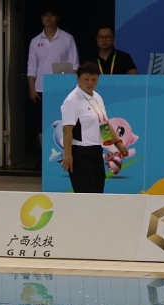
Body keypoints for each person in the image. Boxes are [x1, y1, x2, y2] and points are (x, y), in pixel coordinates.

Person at [60, 63, 127, 194]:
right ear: (78, 79)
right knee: (86, 193)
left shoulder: (97, 97)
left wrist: (117, 143)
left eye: (94, 79)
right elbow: (67, 130)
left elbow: (104, 124)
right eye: (86, 79)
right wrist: (68, 155)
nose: (90, 83)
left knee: (98, 191)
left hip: (96, 151)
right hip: (80, 153)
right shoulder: (72, 101)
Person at [26, 6, 77, 146]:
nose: (48, 18)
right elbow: (32, 67)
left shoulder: (67, 38)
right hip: (40, 89)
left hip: (61, 89)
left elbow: (74, 65)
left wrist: (71, 89)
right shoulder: (35, 41)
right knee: (41, 124)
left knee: (62, 122)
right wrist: (32, 89)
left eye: (52, 15)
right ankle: (44, 153)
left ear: (57, 18)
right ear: (41, 18)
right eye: (45, 15)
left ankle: (64, 152)